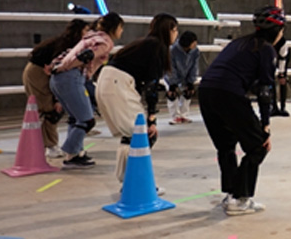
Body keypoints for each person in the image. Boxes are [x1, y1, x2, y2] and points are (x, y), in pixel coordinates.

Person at [198, 6, 282, 216]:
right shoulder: (266, 49)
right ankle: (240, 198)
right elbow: (265, 89)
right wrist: (265, 126)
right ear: (279, 31)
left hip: (206, 91)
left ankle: (230, 195)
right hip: (228, 93)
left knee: (226, 146)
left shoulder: (238, 43)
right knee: (257, 147)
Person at [96, 13, 178, 186]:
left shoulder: (146, 44)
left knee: (132, 135)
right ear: (168, 30)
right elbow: (151, 86)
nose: (176, 34)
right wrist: (152, 118)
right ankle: (137, 184)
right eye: (175, 30)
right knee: (141, 134)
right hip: (117, 84)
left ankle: (128, 182)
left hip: (108, 81)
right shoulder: (157, 48)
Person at [49, 13, 125, 169]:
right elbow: (85, 56)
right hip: (71, 77)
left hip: (58, 79)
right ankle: (70, 153)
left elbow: (72, 52)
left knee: (75, 118)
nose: (122, 31)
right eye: (121, 27)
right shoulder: (105, 42)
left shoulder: (90, 36)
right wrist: (66, 66)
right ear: (115, 27)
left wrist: (58, 66)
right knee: (86, 120)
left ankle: (76, 154)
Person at [22, 18, 89, 157]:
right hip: (38, 73)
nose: (89, 33)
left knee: (54, 109)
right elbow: (55, 69)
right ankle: (50, 146)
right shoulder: (67, 45)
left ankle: (49, 144)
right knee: (51, 110)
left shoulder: (67, 42)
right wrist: (57, 98)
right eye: (86, 30)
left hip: (38, 71)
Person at [165, 30, 199, 124]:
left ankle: (184, 115)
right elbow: (171, 68)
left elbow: (194, 66)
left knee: (187, 94)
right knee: (172, 95)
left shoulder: (195, 51)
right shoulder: (172, 50)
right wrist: (173, 83)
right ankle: (175, 116)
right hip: (171, 76)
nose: (195, 44)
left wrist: (191, 81)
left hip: (186, 75)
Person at [270, 34, 290, 117]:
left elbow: (283, 58)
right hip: (270, 58)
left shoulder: (282, 42)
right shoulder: (266, 42)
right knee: (270, 79)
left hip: (283, 58)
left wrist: (281, 74)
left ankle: (283, 107)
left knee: (282, 81)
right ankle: (273, 106)